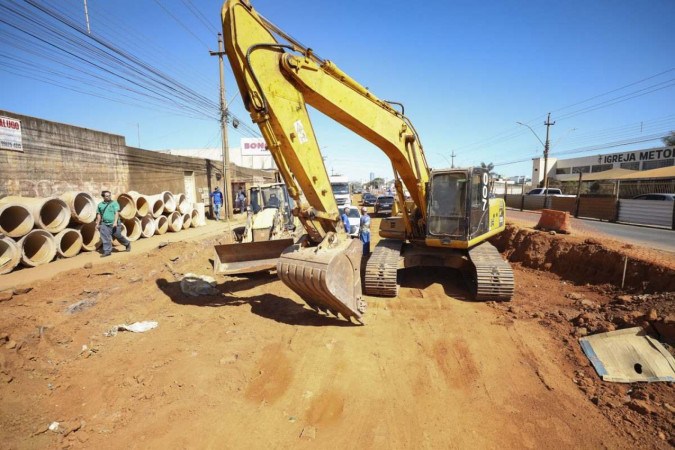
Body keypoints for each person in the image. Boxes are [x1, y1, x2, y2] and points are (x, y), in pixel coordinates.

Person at [95, 190, 131, 257]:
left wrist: (115, 222)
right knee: (105, 237)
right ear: (103, 197)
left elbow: (116, 213)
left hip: (114, 224)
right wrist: (97, 223)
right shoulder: (100, 205)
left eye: (109, 195)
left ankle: (127, 243)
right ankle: (107, 251)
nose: (108, 197)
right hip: (104, 224)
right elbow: (99, 214)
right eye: (107, 196)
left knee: (118, 236)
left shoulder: (114, 203)